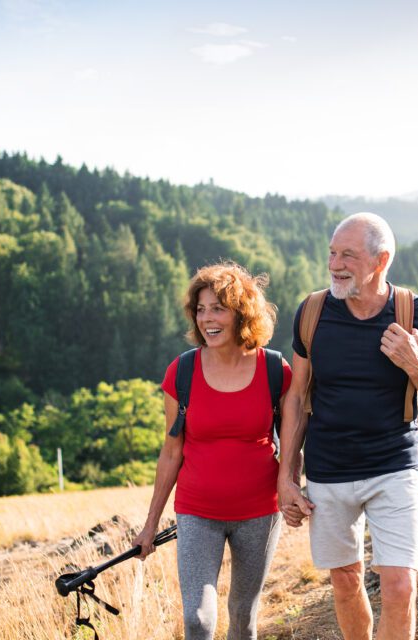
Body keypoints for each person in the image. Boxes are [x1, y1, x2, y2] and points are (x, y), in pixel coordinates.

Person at [277, 212, 418, 640]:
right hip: (328, 471)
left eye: (348, 254)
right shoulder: (312, 312)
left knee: (400, 586)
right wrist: (286, 476)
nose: (335, 264)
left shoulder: (416, 313)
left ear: (380, 261)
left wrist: (416, 366)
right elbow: (296, 396)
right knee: (345, 581)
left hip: (393, 467)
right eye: (332, 253)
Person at [134, 262, 292, 640]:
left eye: (218, 308)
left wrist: (294, 486)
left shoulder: (274, 370)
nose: (208, 319)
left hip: (259, 513)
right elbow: (171, 451)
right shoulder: (182, 372)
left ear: (242, 313)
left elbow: (293, 442)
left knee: (242, 619)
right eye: (201, 310)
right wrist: (150, 524)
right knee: (198, 621)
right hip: (197, 513)